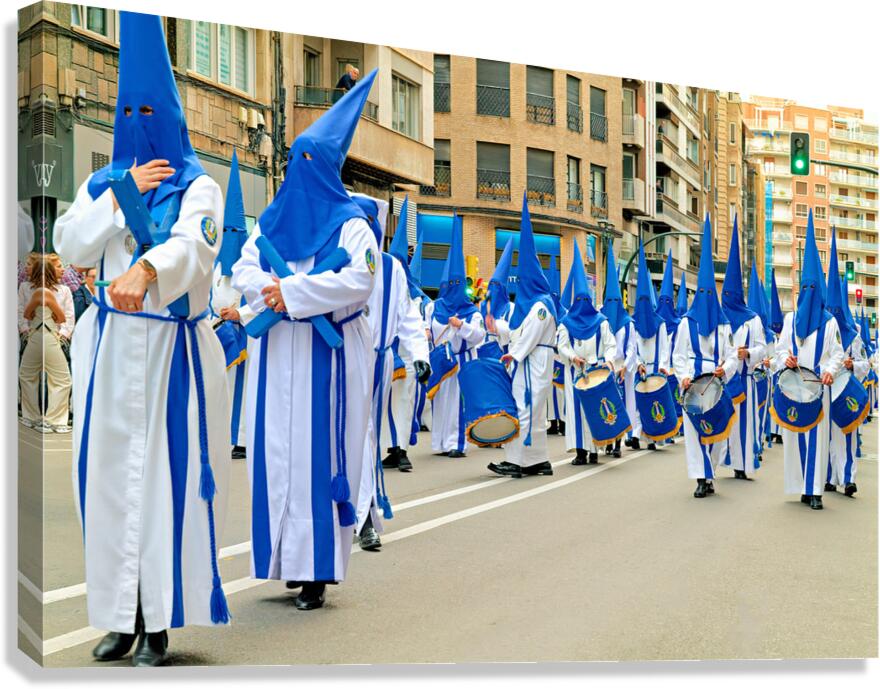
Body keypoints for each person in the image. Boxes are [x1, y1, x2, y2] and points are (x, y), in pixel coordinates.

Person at [54, 12, 230, 666]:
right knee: (104, 486)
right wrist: (117, 193)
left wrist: (146, 267)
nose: (138, 118)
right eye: (129, 108)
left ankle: (159, 623)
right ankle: (119, 618)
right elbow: (69, 242)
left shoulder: (200, 186)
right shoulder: (101, 184)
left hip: (167, 356)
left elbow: (194, 249)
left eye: (150, 108)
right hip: (107, 351)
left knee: (161, 487)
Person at [232, 69, 379, 610]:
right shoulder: (269, 221)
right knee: (277, 455)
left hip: (329, 356)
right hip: (278, 354)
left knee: (319, 457)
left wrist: (290, 293)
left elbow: (359, 281)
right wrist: (269, 290)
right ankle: (285, 560)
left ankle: (318, 569)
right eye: (297, 160)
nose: (300, 171)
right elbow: (243, 267)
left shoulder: (352, 225)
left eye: (309, 163)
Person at [769, 212, 844, 510]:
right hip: (792, 389)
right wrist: (784, 360)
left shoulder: (829, 324)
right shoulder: (790, 321)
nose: (810, 296)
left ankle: (815, 490)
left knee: (817, 437)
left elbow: (837, 354)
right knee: (795, 437)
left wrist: (828, 371)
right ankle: (801, 485)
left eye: (815, 290)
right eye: (807, 290)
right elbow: (778, 351)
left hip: (817, 389)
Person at [486, 195, 557, 478]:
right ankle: (538, 460)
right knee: (534, 413)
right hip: (532, 359)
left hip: (533, 361)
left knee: (525, 409)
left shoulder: (542, 305)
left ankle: (517, 462)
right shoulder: (534, 305)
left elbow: (528, 337)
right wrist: (498, 329)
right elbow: (519, 332)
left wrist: (513, 354)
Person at [672, 216, 739, 499]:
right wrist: (683, 376)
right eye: (701, 292)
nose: (705, 297)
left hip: (716, 383)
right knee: (694, 431)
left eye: (709, 292)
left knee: (716, 430)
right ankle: (701, 477)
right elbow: (678, 355)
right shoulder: (686, 323)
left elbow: (732, 354)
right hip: (692, 385)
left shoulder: (724, 325)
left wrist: (726, 369)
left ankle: (710, 472)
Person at [380, 197, 431, 474]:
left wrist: (421, 356)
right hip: (379, 354)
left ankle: (400, 449)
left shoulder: (408, 294)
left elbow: (412, 324)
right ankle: (388, 448)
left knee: (401, 402)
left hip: (403, 357)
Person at [428, 214, 485, 458]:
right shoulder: (434, 307)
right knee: (440, 403)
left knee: (458, 404)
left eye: (457, 283)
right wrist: (427, 332)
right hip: (441, 361)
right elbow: (428, 329)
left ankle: (457, 444)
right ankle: (440, 443)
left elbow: (479, 336)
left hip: (462, 362)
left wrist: (462, 325)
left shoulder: (472, 311)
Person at [556, 240, 616, 465]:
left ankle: (594, 450)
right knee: (575, 411)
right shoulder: (565, 323)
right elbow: (561, 345)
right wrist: (572, 357)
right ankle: (580, 450)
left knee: (593, 410)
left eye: (584, 300)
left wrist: (608, 361)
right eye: (578, 300)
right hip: (575, 373)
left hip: (596, 372)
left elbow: (610, 345)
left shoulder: (601, 322)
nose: (581, 304)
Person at [211, 149, 253, 460]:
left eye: (234, 232)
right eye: (226, 231)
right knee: (220, 389)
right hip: (219, 336)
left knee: (243, 389)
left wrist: (240, 312)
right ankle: (221, 435)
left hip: (245, 339)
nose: (230, 237)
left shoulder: (250, 268)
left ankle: (241, 438)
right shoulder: (214, 270)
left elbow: (260, 299)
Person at [719, 217, 766, 480]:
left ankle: (743, 464)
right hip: (725, 379)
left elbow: (762, 348)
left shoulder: (753, 319)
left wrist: (748, 354)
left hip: (745, 381)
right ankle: (726, 460)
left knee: (745, 424)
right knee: (727, 421)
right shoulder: (719, 318)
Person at [825, 231, 868, 497]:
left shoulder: (854, 336)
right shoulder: (825, 331)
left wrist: (853, 365)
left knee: (848, 436)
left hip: (847, 392)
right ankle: (830, 477)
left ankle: (849, 478)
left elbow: (866, 364)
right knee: (829, 437)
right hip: (828, 390)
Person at [18, 253, 74, 432]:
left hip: (46, 335)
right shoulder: (26, 288)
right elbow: (62, 316)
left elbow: (25, 313)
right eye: (58, 267)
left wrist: (64, 335)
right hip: (43, 335)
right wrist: (25, 331)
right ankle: (51, 419)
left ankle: (36, 417)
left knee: (28, 374)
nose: (62, 269)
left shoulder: (62, 290)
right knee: (60, 379)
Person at [632, 240, 671, 452]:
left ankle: (652, 436)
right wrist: (638, 363)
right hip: (641, 368)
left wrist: (663, 365)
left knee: (653, 401)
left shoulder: (660, 324)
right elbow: (632, 346)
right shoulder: (633, 323)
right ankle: (637, 434)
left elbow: (664, 348)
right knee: (639, 401)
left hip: (655, 368)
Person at [602, 242, 639, 454]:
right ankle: (607, 440)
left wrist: (626, 366)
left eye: (617, 300)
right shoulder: (602, 320)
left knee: (621, 404)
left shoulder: (628, 323)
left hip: (622, 369)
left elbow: (632, 348)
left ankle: (617, 443)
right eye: (611, 300)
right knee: (607, 403)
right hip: (606, 366)